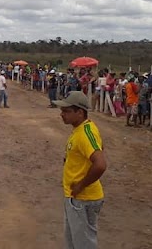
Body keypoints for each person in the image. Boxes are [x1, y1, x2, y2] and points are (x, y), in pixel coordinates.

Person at [52, 91, 107, 249]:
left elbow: (100, 164)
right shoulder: (83, 129)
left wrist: (80, 185)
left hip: (83, 199)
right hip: (76, 198)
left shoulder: (85, 133)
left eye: (67, 111)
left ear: (80, 112)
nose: (62, 114)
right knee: (74, 242)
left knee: (83, 244)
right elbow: (98, 148)